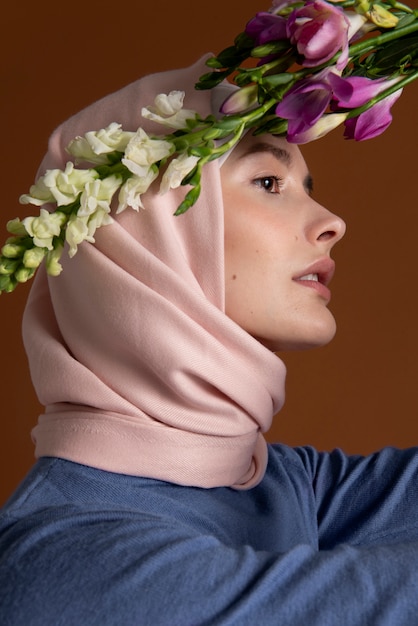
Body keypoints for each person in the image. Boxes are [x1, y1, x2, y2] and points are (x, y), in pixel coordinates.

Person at [1, 1, 418, 623]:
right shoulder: (69, 561)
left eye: (309, 188)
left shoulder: (283, 484)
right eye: (269, 183)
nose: (332, 224)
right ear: (145, 236)